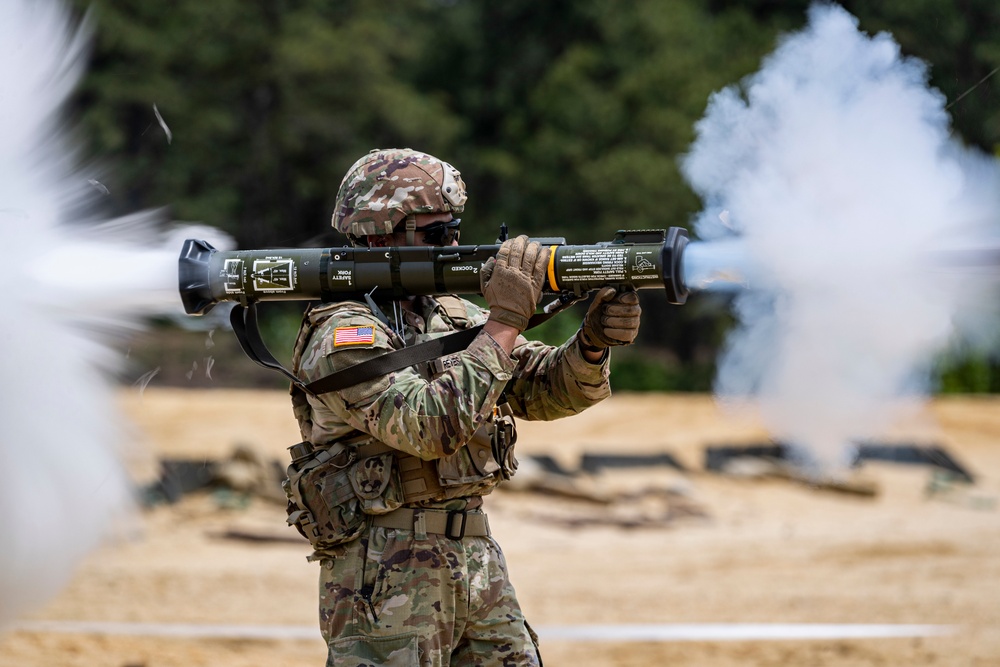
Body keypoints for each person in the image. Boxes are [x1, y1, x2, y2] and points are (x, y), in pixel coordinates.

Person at [285, 148, 642, 666]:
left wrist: (590, 344)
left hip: (475, 558)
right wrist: (504, 320)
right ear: (382, 236)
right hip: (384, 572)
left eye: (455, 230)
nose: (453, 244)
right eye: (435, 234)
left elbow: (541, 389)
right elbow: (429, 426)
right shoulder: (343, 334)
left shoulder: (448, 313)